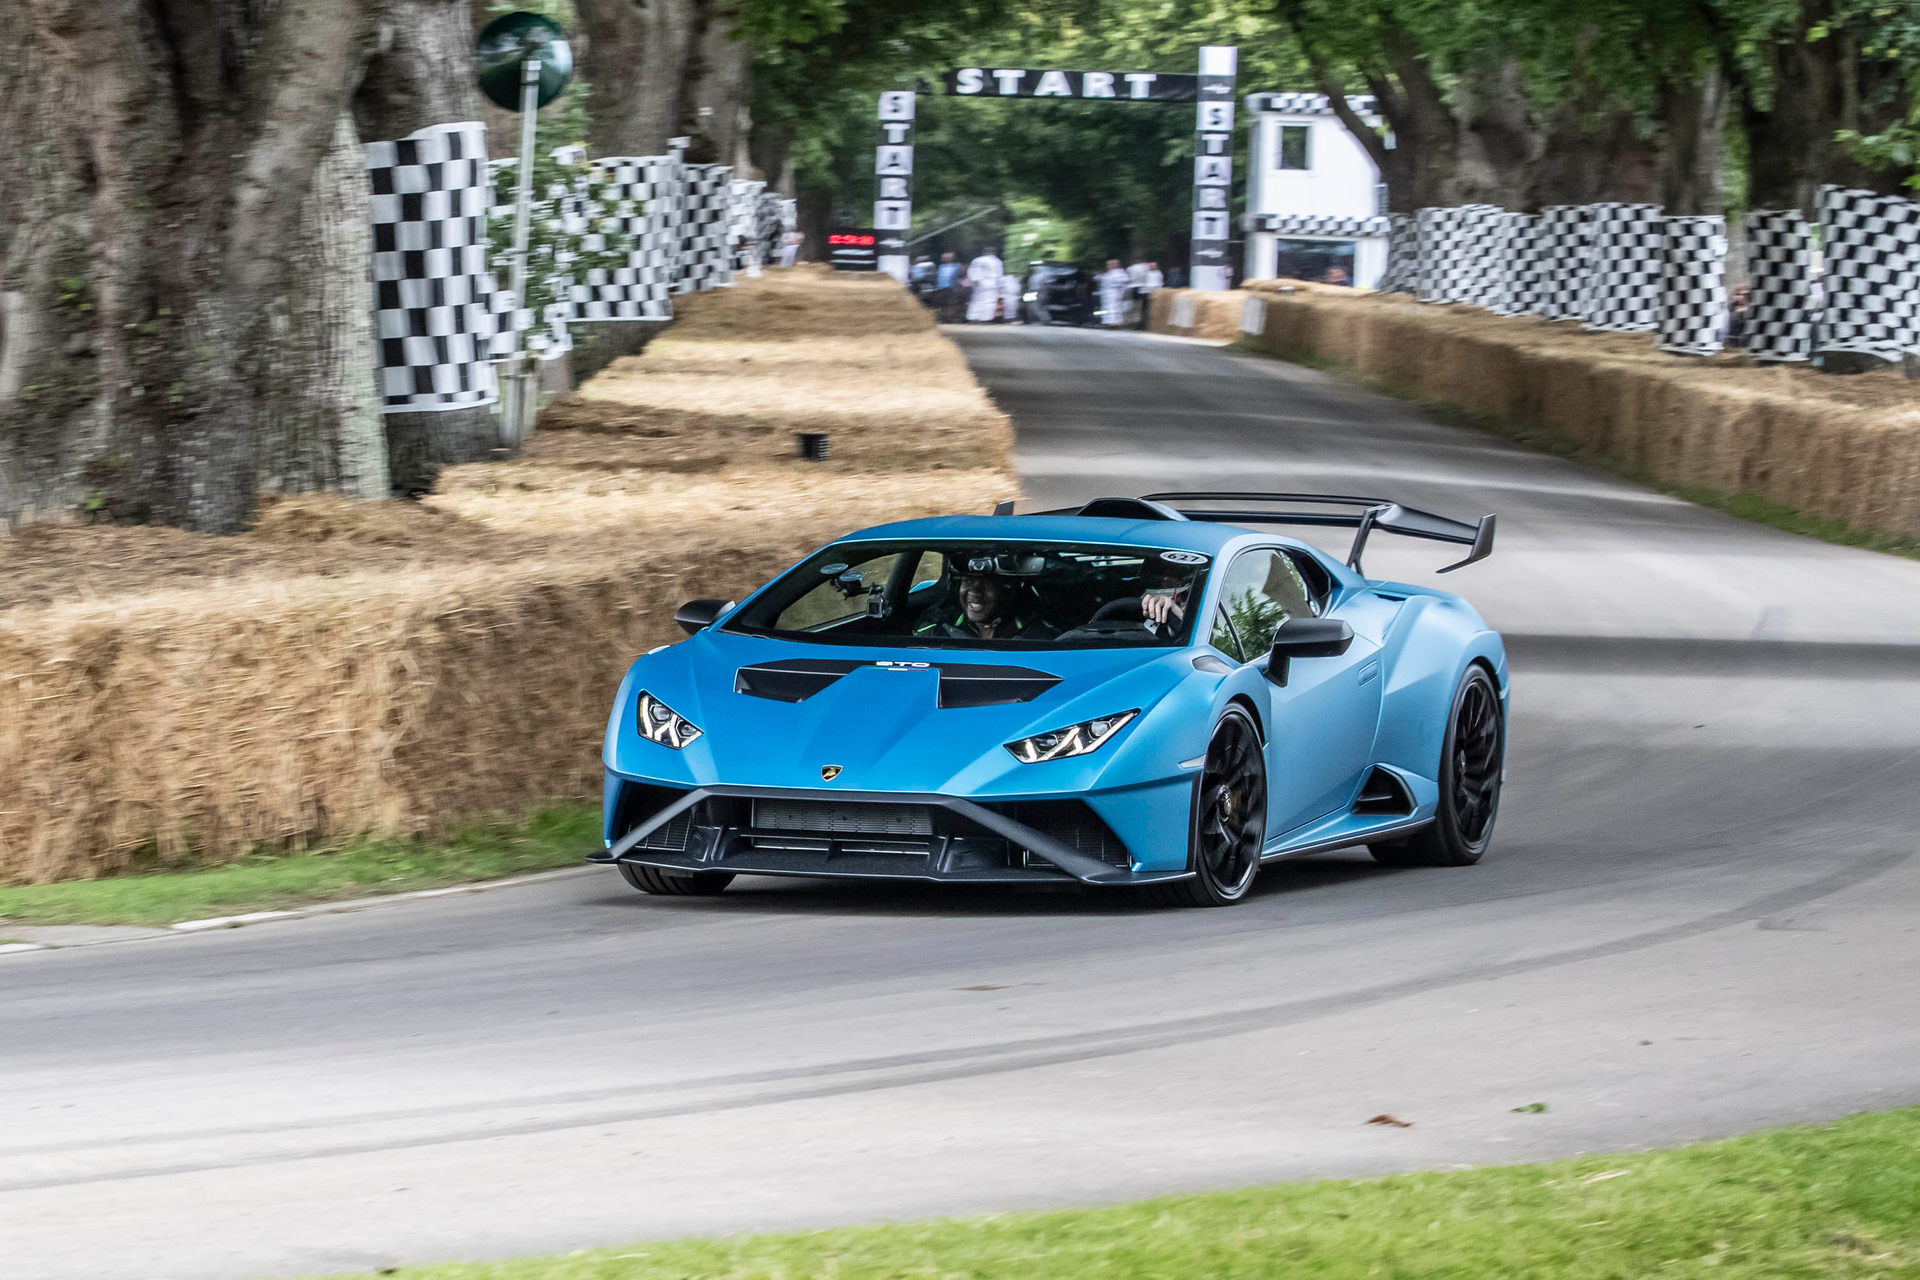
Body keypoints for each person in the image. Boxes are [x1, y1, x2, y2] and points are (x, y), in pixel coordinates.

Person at [915, 566, 1046, 640]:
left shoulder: (1036, 634)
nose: (975, 592)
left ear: (1008, 591)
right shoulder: (935, 629)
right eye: (967, 581)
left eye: (987, 584)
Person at [965, 247, 1004, 323]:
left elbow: (971, 271)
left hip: (978, 283)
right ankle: (985, 319)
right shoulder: (996, 261)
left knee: (976, 301)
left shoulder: (976, 260)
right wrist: (1000, 287)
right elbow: (999, 275)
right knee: (988, 302)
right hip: (991, 283)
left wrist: (974, 280)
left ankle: (973, 317)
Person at [1097, 258, 1132, 328]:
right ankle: (1107, 322)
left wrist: (1123, 293)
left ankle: (1115, 324)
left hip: (1115, 294)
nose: (1108, 266)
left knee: (1114, 309)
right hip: (1107, 295)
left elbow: (1124, 284)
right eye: (1108, 265)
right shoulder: (1108, 274)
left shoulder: (1120, 273)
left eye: (1110, 264)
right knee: (1107, 309)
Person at [1135, 259, 1165, 330]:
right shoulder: (1145, 274)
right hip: (1145, 293)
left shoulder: (1158, 273)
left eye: (1153, 266)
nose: (1152, 267)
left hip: (1155, 293)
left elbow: (1160, 283)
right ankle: (1143, 325)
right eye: (1151, 266)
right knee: (1144, 310)